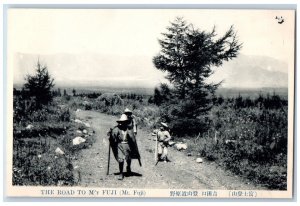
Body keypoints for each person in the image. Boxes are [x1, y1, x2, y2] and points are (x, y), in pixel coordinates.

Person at [108, 114, 141, 180]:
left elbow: (133, 139)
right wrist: (110, 134)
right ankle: (121, 173)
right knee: (121, 159)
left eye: (125, 122)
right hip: (120, 145)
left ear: (126, 122)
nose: (123, 123)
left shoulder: (129, 129)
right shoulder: (117, 129)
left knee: (128, 159)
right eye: (122, 122)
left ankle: (128, 167)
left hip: (127, 146)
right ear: (120, 122)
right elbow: (112, 136)